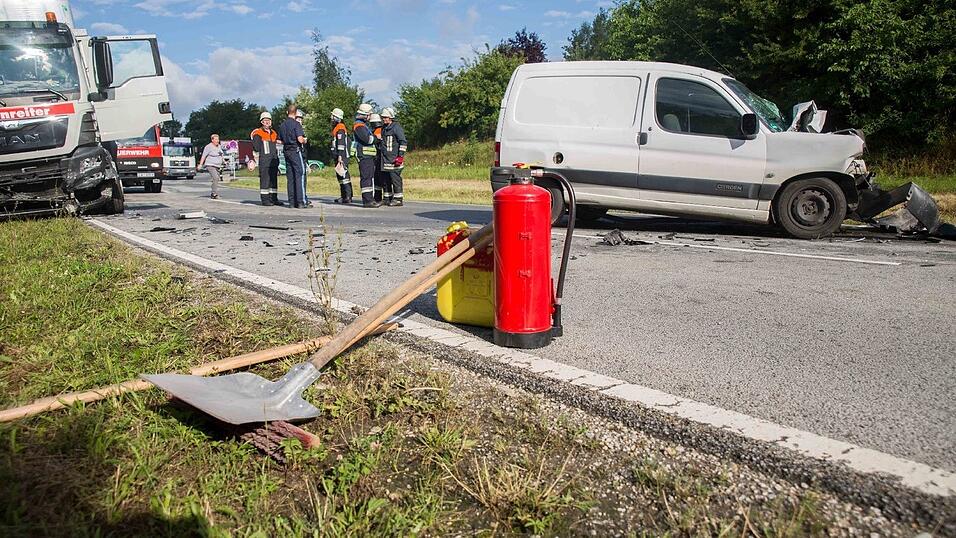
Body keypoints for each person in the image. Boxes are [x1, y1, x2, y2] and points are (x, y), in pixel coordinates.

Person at [278, 104, 308, 208]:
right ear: (295, 113)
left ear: (287, 112)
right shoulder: (296, 124)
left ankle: (291, 202)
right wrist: (305, 140)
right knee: (300, 175)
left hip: (286, 151)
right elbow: (300, 139)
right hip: (295, 151)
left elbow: (279, 140)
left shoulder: (282, 125)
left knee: (290, 177)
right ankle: (301, 202)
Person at [352, 103, 380, 208]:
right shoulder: (359, 126)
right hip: (364, 155)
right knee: (366, 178)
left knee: (368, 177)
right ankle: (368, 201)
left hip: (367, 155)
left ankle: (369, 199)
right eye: (369, 115)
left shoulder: (362, 126)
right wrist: (376, 138)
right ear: (365, 115)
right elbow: (368, 139)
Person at [251, 112, 281, 206]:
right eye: (265, 121)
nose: (267, 122)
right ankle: (265, 200)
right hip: (264, 160)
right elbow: (256, 147)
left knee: (273, 180)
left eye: (269, 120)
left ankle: (274, 198)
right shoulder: (258, 133)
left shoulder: (274, 133)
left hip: (274, 160)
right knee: (265, 180)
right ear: (261, 122)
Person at [380, 107, 407, 206]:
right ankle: (387, 197)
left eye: (386, 117)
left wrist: (400, 156)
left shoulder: (396, 128)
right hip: (385, 159)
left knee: (395, 179)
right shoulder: (384, 128)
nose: (384, 119)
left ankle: (398, 199)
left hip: (394, 159)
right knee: (386, 179)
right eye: (383, 117)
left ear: (391, 117)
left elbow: (403, 142)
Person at [330, 107, 352, 204]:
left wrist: (340, 156)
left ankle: (347, 196)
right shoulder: (337, 127)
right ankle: (344, 196)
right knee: (341, 176)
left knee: (344, 176)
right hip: (339, 155)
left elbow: (341, 143)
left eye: (333, 116)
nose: (331, 118)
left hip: (342, 156)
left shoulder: (340, 128)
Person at [295, 109, 313, 207]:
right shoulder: (295, 130)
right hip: (298, 156)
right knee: (299, 178)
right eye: (298, 118)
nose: (300, 121)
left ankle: (303, 196)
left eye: (301, 119)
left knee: (303, 179)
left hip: (303, 157)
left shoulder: (301, 130)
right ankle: (301, 199)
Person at [197, 133, 224, 199]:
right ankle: (214, 193)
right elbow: (203, 156)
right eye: (216, 139)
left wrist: (224, 161)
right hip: (210, 165)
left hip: (217, 166)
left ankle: (213, 192)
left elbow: (221, 154)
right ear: (212, 140)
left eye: (218, 139)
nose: (218, 140)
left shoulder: (219, 146)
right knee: (216, 178)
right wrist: (200, 164)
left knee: (216, 179)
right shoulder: (208, 147)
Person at [368, 113, 385, 203]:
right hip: (379, 157)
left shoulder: (377, 130)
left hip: (378, 157)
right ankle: (378, 197)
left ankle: (378, 197)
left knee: (378, 178)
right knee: (378, 178)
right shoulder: (381, 129)